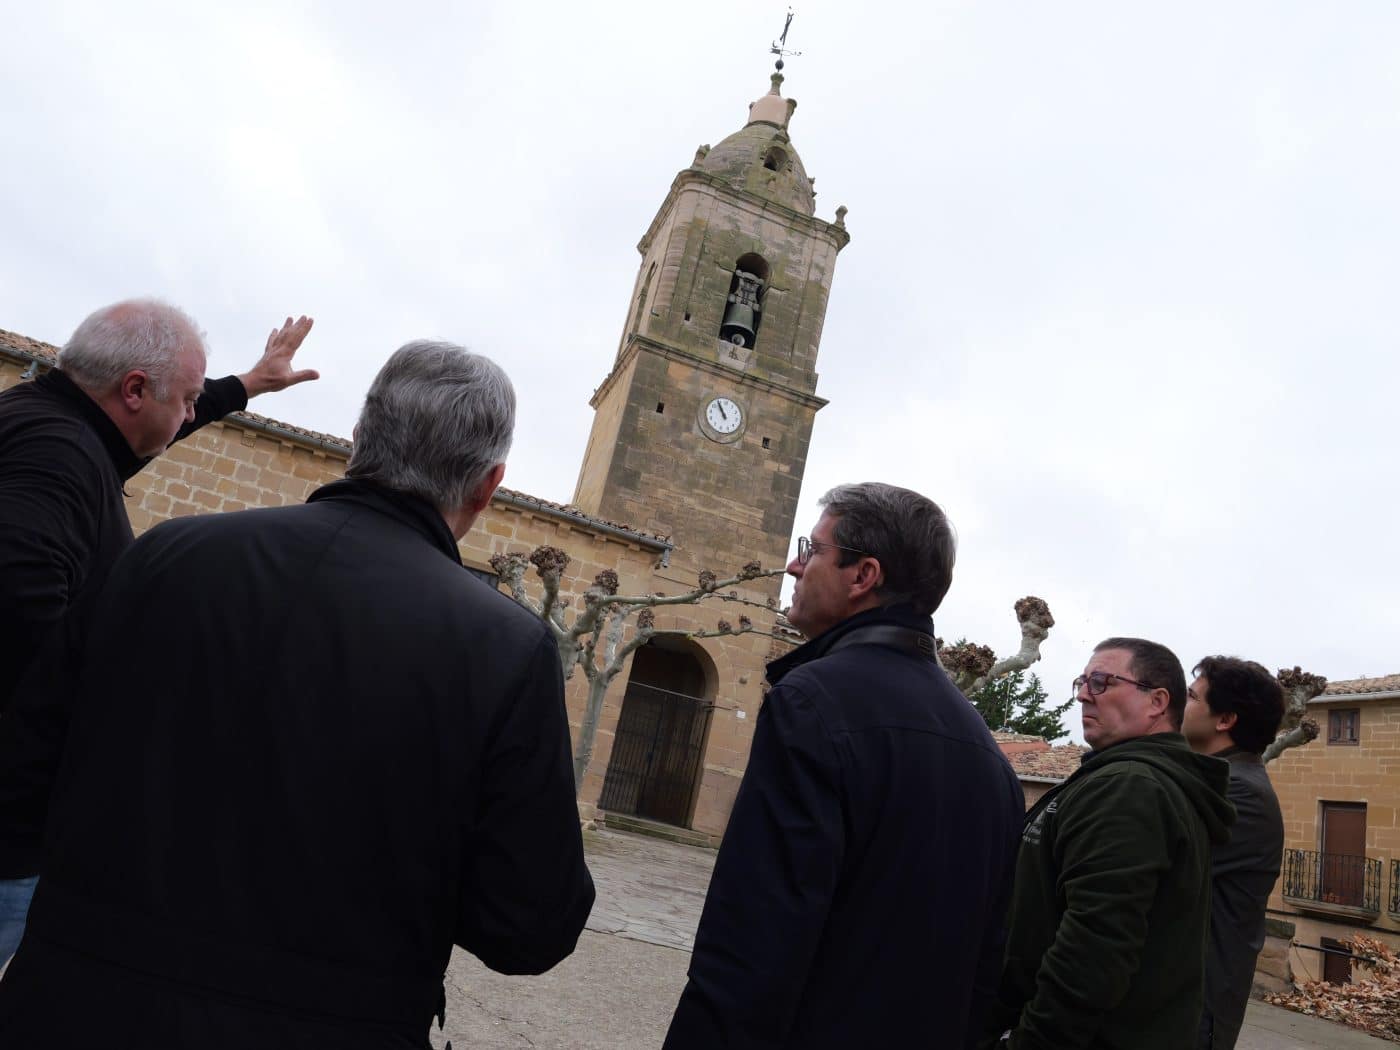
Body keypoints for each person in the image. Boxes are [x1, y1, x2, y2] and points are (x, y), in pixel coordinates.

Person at [0, 341, 595, 1048]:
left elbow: (20, 783)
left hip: (68, 1009)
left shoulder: (162, 557)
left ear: (358, 442)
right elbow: (528, 928)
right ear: (488, 485)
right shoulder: (506, 647)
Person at [0, 298, 316, 962]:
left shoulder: (48, 424)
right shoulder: (58, 454)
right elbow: (22, 621)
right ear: (135, 391)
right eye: (187, 401)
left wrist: (250, 384)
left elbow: (150, 433)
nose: (186, 419)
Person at [664, 482, 1025, 1050]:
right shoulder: (987, 755)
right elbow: (989, 965)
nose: (792, 566)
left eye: (811, 550)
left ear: (863, 576)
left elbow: (754, 939)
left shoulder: (811, 704)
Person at [981, 638, 1235, 1049]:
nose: (1083, 693)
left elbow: (1094, 951)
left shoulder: (1129, 787)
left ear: (1157, 701)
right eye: (1083, 680)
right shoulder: (1129, 780)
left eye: (1101, 682)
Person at [1182, 656, 1285, 1050]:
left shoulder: (1240, 792)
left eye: (1192, 696)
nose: (1180, 702)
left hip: (1196, 1010)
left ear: (1224, 720)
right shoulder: (1220, 779)